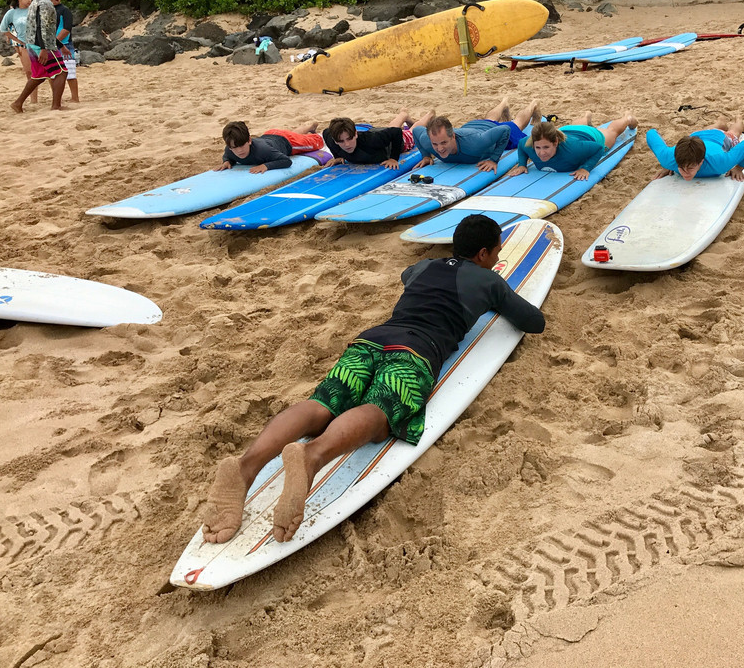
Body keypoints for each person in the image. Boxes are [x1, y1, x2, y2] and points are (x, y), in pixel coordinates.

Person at [201, 214, 546, 544]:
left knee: (323, 402)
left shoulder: (424, 267)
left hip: (371, 340)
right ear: (483, 253)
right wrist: (490, 293)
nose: (497, 258)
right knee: (380, 410)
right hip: (415, 352)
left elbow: (407, 275)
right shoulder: (488, 280)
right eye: (497, 252)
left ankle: (246, 467)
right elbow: (533, 321)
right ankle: (312, 456)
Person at [413, 97, 538, 173]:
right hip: (473, 126)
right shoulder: (427, 141)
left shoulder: (476, 143)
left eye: (444, 143)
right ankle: (503, 103)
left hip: (491, 130)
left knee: (517, 123)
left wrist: (494, 159)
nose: (439, 149)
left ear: (453, 136)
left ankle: (533, 104)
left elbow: (504, 130)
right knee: (488, 119)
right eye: (435, 144)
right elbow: (416, 130)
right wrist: (425, 156)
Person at [508, 113, 637, 181]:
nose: (541, 153)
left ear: (556, 143)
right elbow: (521, 145)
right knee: (576, 126)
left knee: (612, 132)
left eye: (546, 148)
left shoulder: (574, 149)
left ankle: (627, 118)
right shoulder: (529, 144)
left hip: (589, 135)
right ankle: (586, 117)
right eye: (538, 148)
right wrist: (522, 164)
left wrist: (585, 168)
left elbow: (597, 148)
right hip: (566, 130)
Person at [11, 0, 68, 113]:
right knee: (62, 72)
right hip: (42, 45)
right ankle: (56, 106)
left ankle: (18, 103)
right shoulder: (45, 4)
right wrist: (43, 48)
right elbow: (41, 27)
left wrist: (61, 45)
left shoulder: (37, 0)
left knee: (39, 75)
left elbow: (44, 28)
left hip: (32, 44)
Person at [647, 116, 744, 183]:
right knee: (706, 132)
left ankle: (738, 119)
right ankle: (720, 122)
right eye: (681, 167)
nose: (685, 173)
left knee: (734, 132)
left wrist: (739, 167)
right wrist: (667, 165)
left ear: (701, 161)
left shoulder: (721, 162)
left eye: (690, 167)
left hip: (720, 139)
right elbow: (650, 133)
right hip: (695, 138)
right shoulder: (668, 159)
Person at [214, 120, 327, 173]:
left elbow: (286, 161)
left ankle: (314, 131)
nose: (239, 151)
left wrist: (266, 166)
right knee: (294, 134)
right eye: (234, 147)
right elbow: (227, 155)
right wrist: (227, 161)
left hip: (288, 143)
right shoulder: (230, 150)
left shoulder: (263, 151)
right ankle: (309, 126)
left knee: (318, 142)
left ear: (249, 140)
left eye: (241, 145)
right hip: (270, 135)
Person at [321, 108, 418, 169]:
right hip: (380, 134)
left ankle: (428, 116)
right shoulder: (332, 140)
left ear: (355, 134)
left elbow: (396, 132)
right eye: (341, 141)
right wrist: (337, 157)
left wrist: (393, 158)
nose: (347, 144)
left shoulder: (371, 140)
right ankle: (403, 115)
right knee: (388, 130)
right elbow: (326, 132)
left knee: (413, 132)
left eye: (350, 139)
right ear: (335, 140)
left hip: (393, 143)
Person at [0, 0, 37, 105]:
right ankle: (33, 100)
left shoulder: (34, 9)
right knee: (30, 73)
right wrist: (17, 40)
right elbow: (3, 29)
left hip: (38, 43)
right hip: (24, 45)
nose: (29, 0)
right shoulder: (12, 13)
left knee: (48, 71)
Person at [53, 0, 79, 104]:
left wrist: (55, 41)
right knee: (53, 73)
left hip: (65, 43)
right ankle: (58, 97)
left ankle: (75, 97)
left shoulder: (64, 10)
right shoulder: (46, 11)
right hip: (53, 45)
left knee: (70, 72)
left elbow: (66, 29)